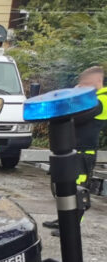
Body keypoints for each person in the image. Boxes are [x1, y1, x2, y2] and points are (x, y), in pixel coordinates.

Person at [43, 66, 107, 235]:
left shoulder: (102, 100)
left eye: (86, 84)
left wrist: (73, 97)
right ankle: (63, 220)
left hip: (85, 152)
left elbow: (76, 118)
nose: (82, 87)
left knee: (77, 190)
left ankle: (72, 227)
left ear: (98, 82)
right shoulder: (90, 98)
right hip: (72, 149)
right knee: (65, 188)